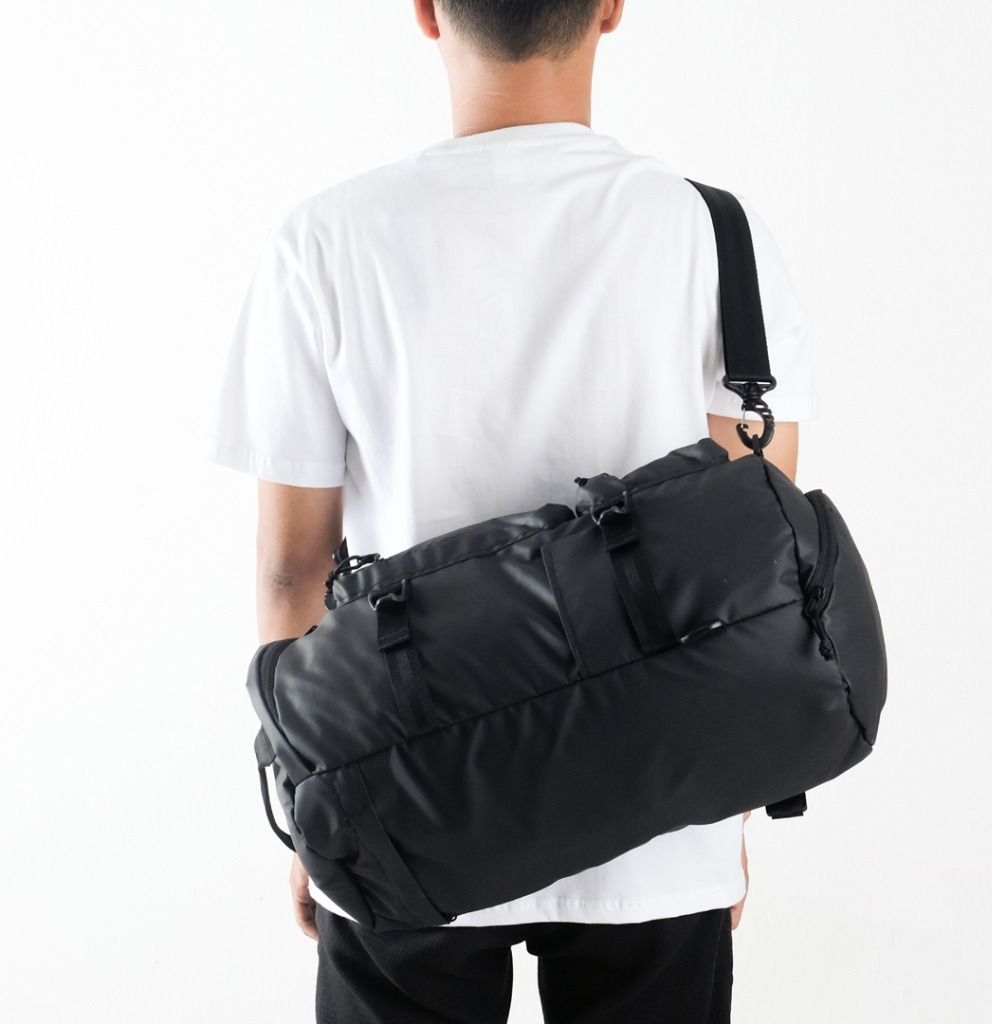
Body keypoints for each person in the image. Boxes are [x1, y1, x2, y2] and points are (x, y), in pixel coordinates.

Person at [205, 1, 819, 1020]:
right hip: (658, 808)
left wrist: (315, 810)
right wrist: (725, 816)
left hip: (398, 806)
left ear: (425, 12)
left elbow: (290, 572)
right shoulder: (717, 235)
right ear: (610, 8)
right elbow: (757, 573)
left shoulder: (327, 239)